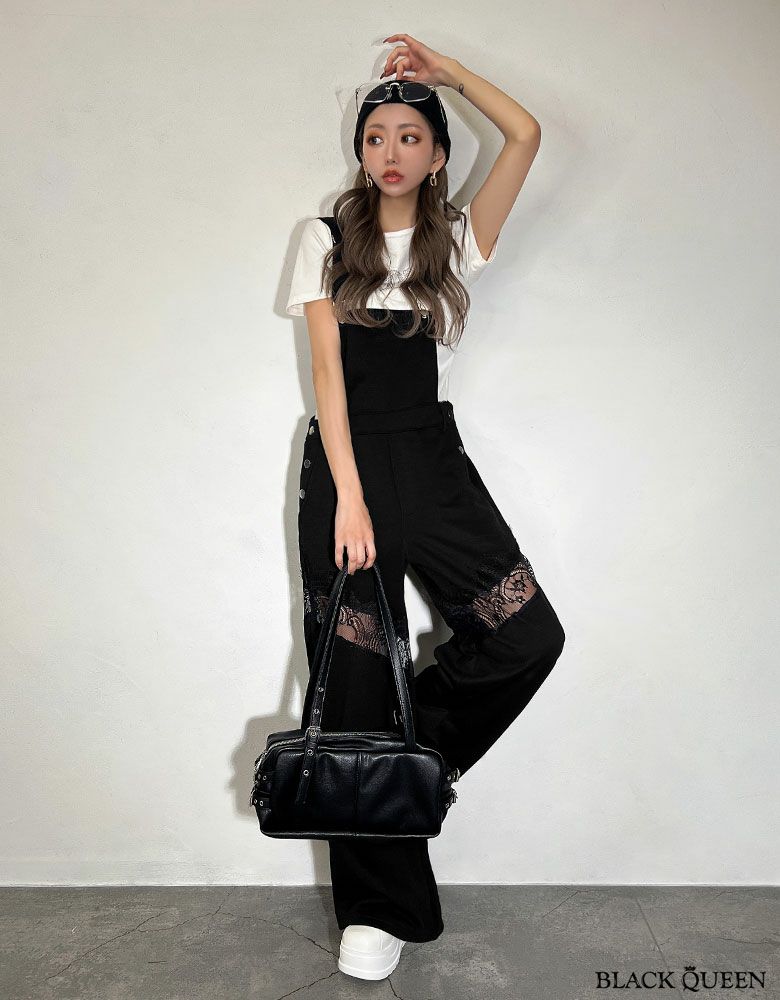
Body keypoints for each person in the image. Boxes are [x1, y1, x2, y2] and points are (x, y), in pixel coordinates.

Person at [285, 34, 566, 982]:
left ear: (439, 152)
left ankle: (409, 757)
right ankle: (378, 913)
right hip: (346, 466)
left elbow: (525, 135)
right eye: (376, 137)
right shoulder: (324, 240)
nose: (391, 152)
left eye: (411, 136)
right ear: (360, 152)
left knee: (525, 636)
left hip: (434, 464)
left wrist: (446, 74)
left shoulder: (455, 242)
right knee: (356, 685)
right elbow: (328, 378)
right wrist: (349, 500)